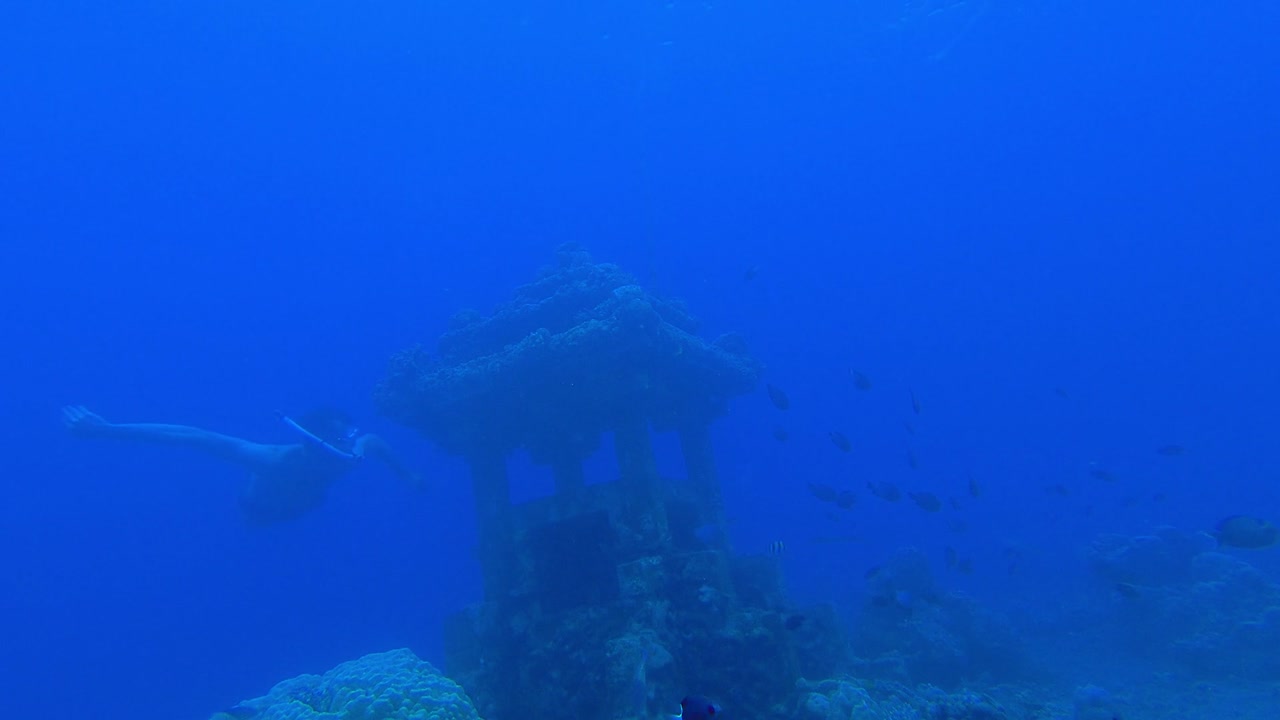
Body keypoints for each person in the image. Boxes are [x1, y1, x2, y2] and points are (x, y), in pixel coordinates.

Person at [62, 404, 423, 525]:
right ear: (312, 443)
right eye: (337, 440)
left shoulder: (351, 455)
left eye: (348, 436)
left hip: (302, 507)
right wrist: (107, 430)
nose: (348, 445)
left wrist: (406, 473)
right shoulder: (273, 460)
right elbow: (190, 434)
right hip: (260, 509)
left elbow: (373, 441)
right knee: (254, 523)